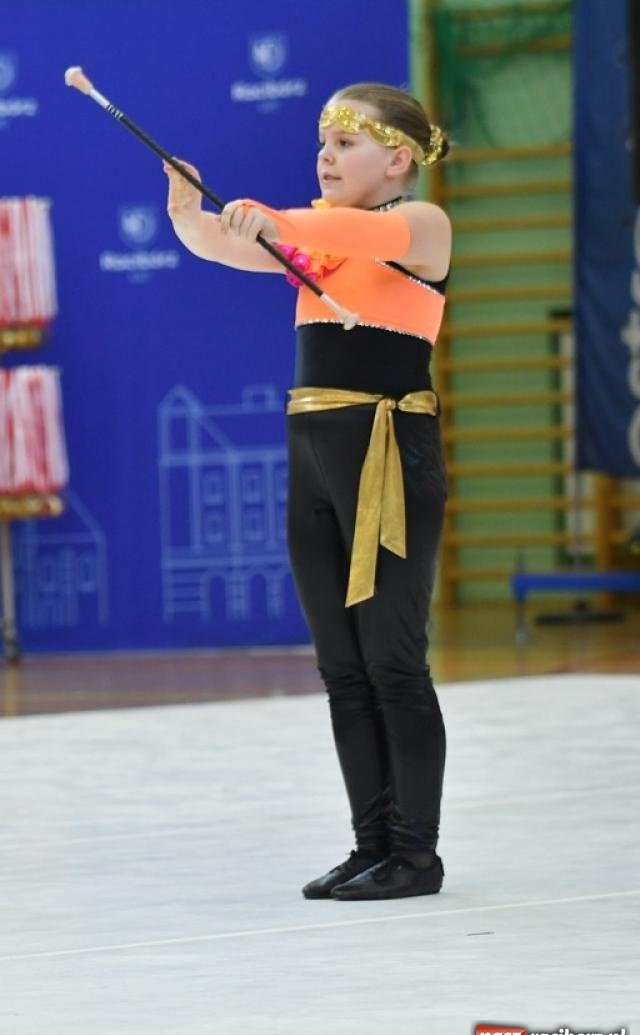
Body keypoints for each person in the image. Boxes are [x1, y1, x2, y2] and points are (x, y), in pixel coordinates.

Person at [163, 83, 452, 901]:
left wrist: (272, 218)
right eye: (321, 144)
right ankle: (371, 845)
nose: (326, 157)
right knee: (343, 667)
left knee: (394, 661)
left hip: (390, 453)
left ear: (398, 158)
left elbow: (326, 228)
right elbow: (225, 246)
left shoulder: (418, 226)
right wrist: (191, 212)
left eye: (346, 144)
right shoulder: (320, 247)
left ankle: (416, 854)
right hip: (314, 454)